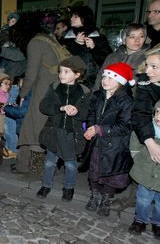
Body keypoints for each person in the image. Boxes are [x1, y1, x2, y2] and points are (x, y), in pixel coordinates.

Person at [36, 56, 91, 202]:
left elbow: (87, 112)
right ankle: (46, 185)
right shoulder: (54, 88)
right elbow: (44, 106)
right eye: (60, 71)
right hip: (54, 131)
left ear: (77, 74)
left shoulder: (84, 92)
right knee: (49, 162)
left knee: (70, 164)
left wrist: (77, 111)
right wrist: (60, 108)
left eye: (66, 71)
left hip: (71, 134)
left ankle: (69, 188)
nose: (61, 74)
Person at [83, 62, 134, 217]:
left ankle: (106, 199)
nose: (105, 80)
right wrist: (91, 128)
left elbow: (125, 125)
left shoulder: (126, 101)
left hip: (115, 145)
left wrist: (100, 129)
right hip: (98, 142)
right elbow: (91, 113)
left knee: (110, 174)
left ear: (120, 82)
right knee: (95, 171)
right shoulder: (98, 95)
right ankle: (95, 195)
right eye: (104, 76)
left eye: (111, 78)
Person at [14, 32, 64, 173]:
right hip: (54, 89)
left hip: (43, 91)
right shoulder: (48, 40)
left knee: (35, 129)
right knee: (36, 127)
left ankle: (35, 168)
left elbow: (31, 73)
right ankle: (25, 165)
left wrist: (22, 94)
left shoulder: (35, 43)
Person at [128, 45, 160, 237]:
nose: (147, 71)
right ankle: (140, 220)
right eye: (147, 66)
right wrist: (150, 144)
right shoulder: (145, 87)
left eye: (154, 67)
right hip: (147, 141)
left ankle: (157, 222)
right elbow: (139, 115)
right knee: (144, 191)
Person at [63, 6, 113, 89]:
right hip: (71, 82)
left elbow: (108, 61)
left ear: (85, 18)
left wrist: (94, 48)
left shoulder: (98, 38)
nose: (71, 19)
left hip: (96, 83)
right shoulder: (67, 38)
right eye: (71, 16)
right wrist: (76, 45)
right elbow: (64, 59)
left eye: (75, 16)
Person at [93, 23, 149, 92]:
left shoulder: (148, 59)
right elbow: (100, 78)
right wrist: (95, 97)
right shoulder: (112, 57)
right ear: (124, 38)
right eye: (132, 36)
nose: (137, 40)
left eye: (141, 36)